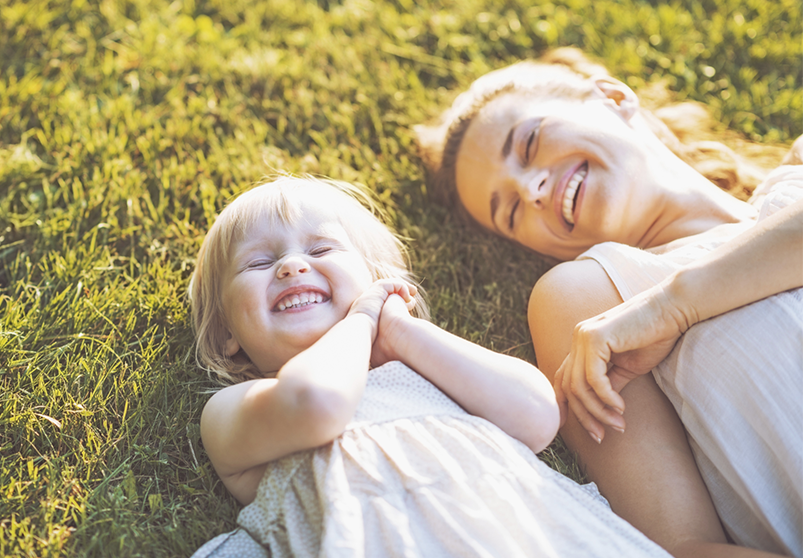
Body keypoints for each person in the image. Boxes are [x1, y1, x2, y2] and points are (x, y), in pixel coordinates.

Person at [417, 48, 802, 557]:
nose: (531, 188)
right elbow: (683, 545)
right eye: (510, 211)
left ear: (614, 97)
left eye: (529, 142)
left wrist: (675, 306)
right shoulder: (592, 300)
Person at [188, 176, 673, 557]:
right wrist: (359, 321)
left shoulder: (430, 368)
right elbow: (317, 403)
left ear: (378, 284)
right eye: (257, 264)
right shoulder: (239, 407)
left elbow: (538, 414)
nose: (292, 267)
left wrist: (400, 331)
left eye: (319, 250)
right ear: (228, 334)